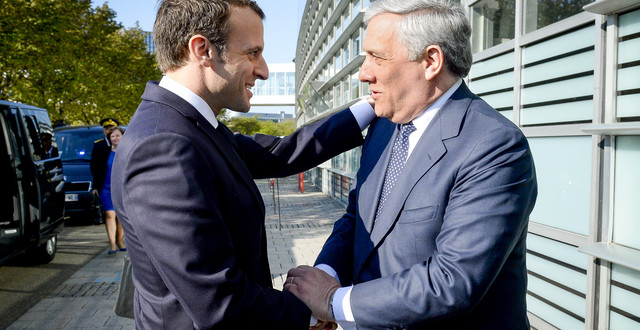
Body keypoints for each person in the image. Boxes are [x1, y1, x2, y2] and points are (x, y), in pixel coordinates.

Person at [110, 1, 375, 329]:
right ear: (202, 49)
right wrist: (310, 310)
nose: (263, 70)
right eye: (253, 53)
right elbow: (217, 300)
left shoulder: (194, 127)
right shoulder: (162, 147)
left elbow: (282, 151)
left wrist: (370, 106)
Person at [284, 1, 538, 329]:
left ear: (431, 61)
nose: (364, 73)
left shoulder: (495, 146)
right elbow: (356, 219)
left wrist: (334, 302)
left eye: (377, 56)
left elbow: (453, 281)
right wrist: (325, 276)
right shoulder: (384, 127)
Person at [99, 126, 126, 255]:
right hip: (106, 189)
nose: (115, 138)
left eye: (117, 135)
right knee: (110, 215)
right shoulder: (105, 152)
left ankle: (120, 241)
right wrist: (95, 187)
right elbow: (97, 170)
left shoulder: (128, 152)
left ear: (123, 136)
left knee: (121, 217)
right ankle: (112, 245)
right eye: (112, 136)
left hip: (122, 189)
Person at [90, 117, 120, 225]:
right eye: (107, 129)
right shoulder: (99, 145)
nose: (109, 131)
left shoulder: (123, 144)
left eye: (111, 128)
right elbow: (95, 167)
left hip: (120, 184)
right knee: (110, 214)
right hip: (105, 184)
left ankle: (119, 239)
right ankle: (113, 240)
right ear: (104, 131)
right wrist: (95, 186)